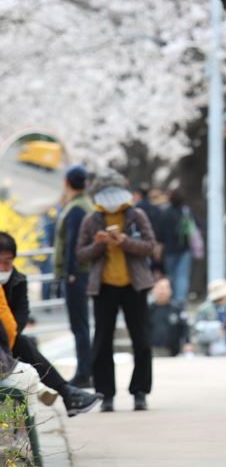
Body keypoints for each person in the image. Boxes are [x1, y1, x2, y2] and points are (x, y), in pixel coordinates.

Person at [77, 171, 155, 412]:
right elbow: (80, 255)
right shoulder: (91, 220)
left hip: (135, 286)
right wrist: (100, 243)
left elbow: (150, 246)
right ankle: (105, 393)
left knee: (141, 340)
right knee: (101, 341)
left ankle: (140, 391)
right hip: (103, 287)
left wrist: (124, 241)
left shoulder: (136, 215)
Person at [0, 232, 101, 416]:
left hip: (9, 339)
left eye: (7, 262)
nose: (3, 267)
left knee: (23, 342)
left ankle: (63, 393)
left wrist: (7, 339)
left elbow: (21, 315)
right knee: (24, 346)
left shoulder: (18, 280)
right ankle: (65, 392)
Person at [53, 165, 94, 387]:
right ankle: (86, 369)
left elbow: (73, 244)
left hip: (77, 274)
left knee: (79, 325)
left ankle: (84, 372)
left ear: (67, 182)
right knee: (82, 324)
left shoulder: (76, 209)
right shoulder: (84, 205)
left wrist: (70, 273)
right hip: (83, 272)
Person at [159, 187, 193, 305]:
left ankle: (172, 301)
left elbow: (160, 234)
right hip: (184, 248)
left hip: (169, 250)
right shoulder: (185, 212)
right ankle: (180, 301)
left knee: (171, 276)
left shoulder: (165, 213)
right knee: (182, 276)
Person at [148, 277, 190, 357]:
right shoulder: (148, 309)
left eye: (165, 288)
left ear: (170, 290)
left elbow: (184, 327)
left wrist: (187, 343)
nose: (162, 291)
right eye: (159, 288)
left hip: (173, 351)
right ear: (153, 290)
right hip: (152, 351)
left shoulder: (177, 309)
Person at [132, 184, 164, 274]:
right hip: (153, 242)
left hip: (139, 241)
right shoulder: (155, 208)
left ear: (138, 194)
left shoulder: (136, 208)